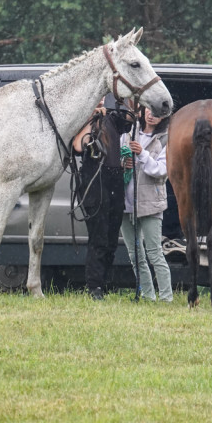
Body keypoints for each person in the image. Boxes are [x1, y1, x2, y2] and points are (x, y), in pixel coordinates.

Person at [71, 100, 133, 301]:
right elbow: (78, 146)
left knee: (111, 238)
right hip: (94, 181)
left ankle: (104, 282)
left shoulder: (113, 119)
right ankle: (94, 286)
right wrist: (91, 117)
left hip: (114, 179)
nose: (100, 103)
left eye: (102, 99)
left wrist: (127, 102)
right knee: (98, 236)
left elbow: (131, 119)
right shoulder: (84, 120)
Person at [120, 104, 173, 302]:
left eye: (158, 113)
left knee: (154, 253)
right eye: (149, 110)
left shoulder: (166, 139)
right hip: (126, 203)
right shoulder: (128, 133)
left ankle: (166, 297)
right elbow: (119, 159)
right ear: (142, 111)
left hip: (151, 203)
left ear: (164, 117)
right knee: (135, 255)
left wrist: (142, 154)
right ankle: (148, 295)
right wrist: (123, 162)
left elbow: (160, 170)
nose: (152, 115)